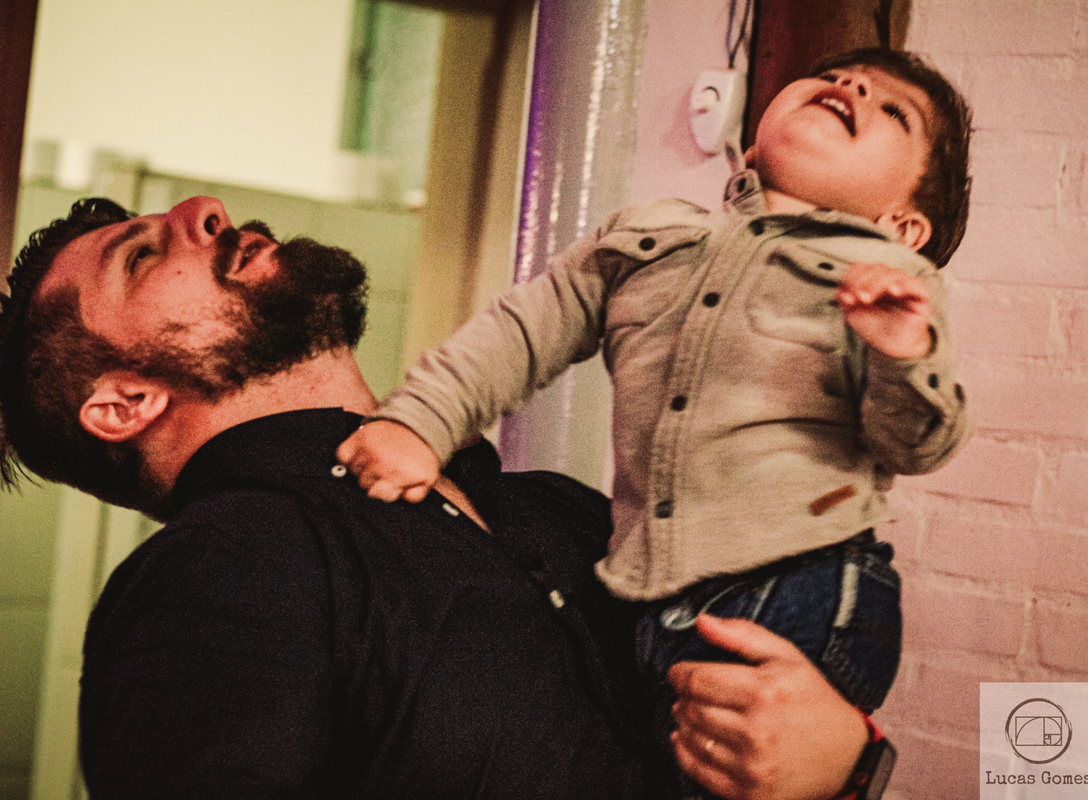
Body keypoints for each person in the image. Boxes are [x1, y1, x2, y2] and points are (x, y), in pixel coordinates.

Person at [0, 195, 886, 799]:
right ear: (123, 403)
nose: (207, 212)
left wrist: (844, 765)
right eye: (145, 255)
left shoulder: (566, 514)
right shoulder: (212, 578)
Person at [337, 47, 972, 796]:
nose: (852, 87)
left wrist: (903, 354)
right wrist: (420, 422)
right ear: (754, 138)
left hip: (801, 583)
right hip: (643, 596)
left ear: (905, 225)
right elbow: (520, 332)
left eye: (893, 110)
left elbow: (916, 443)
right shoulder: (650, 237)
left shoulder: (890, 290)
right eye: (835, 78)